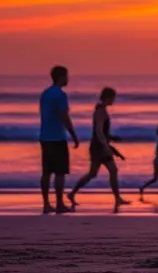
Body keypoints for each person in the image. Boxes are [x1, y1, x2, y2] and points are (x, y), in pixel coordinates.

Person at [68, 87, 131, 210]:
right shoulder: (101, 111)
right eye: (113, 98)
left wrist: (111, 137)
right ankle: (117, 198)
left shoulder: (101, 110)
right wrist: (106, 146)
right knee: (106, 171)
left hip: (99, 145)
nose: (114, 100)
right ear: (108, 98)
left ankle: (72, 193)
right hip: (99, 147)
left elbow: (101, 131)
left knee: (99, 172)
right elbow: (98, 131)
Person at [39, 65, 79, 214]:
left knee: (46, 171)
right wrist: (73, 135)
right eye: (67, 76)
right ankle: (60, 203)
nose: (68, 79)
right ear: (61, 77)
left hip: (45, 136)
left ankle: (46, 204)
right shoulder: (60, 95)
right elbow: (64, 117)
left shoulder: (45, 94)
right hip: (57, 137)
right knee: (60, 172)